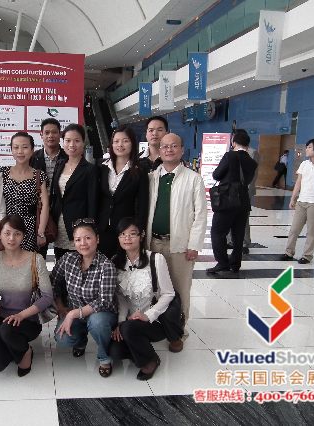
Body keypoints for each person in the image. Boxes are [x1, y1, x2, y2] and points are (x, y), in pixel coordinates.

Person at [146, 132, 206, 352]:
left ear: (181, 150)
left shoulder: (193, 178)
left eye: (174, 146)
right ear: (159, 150)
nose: (169, 150)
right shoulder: (152, 178)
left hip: (180, 245)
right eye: (165, 146)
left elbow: (201, 215)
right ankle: (155, 326)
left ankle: (178, 332)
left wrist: (194, 245)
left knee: (180, 289)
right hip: (153, 243)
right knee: (154, 288)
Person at [109, 217, 177, 380]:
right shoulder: (116, 262)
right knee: (115, 352)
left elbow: (169, 293)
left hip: (156, 321)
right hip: (130, 321)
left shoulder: (155, 259)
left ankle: (151, 360)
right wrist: (120, 322)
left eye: (132, 234)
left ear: (141, 236)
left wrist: (148, 315)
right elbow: (121, 298)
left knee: (128, 329)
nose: (127, 238)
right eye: (122, 234)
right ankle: (139, 346)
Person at [0, 215, 53, 376]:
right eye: (7, 233)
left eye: (17, 233)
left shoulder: (36, 259)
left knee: (7, 331)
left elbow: (47, 297)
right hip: (3, 316)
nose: (11, 238)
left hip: (29, 319)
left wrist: (21, 315)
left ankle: (26, 351)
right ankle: (14, 346)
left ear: (23, 236)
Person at [51, 219, 117, 378]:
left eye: (88, 238)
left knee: (97, 323)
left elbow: (104, 301)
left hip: (101, 313)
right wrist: (60, 306)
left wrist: (73, 314)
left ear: (97, 239)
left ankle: (104, 356)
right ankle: (81, 341)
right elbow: (53, 282)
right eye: (78, 239)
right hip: (75, 311)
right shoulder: (68, 259)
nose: (83, 243)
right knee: (62, 338)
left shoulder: (106, 265)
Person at [207, 129, 258, 275]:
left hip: (228, 199)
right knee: (238, 234)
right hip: (243, 201)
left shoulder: (230, 156)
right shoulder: (252, 162)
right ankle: (235, 264)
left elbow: (217, 174)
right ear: (247, 145)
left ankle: (222, 263)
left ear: (234, 142)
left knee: (217, 232)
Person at [281, 139, 314, 264]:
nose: (306, 149)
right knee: (294, 229)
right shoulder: (304, 164)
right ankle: (288, 252)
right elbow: (298, 183)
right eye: (307, 147)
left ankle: (307, 255)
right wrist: (293, 198)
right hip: (302, 201)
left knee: (311, 231)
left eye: (309, 147)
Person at [97, 126, 149, 258]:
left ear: (132, 143)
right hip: (102, 228)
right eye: (116, 141)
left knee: (123, 265)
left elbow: (142, 204)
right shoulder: (101, 167)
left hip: (126, 231)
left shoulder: (139, 171)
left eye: (125, 141)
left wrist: (139, 229)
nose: (120, 145)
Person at [49, 124, 98, 260]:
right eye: (68, 140)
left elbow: (93, 202)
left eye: (76, 140)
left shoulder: (90, 169)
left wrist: (90, 229)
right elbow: (56, 196)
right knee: (61, 264)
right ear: (63, 142)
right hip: (59, 227)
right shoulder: (60, 164)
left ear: (83, 143)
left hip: (79, 227)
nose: (72, 144)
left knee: (80, 265)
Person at [0, 132, 50, 253]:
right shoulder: (3, 173)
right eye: (16, 147)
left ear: (32, 150)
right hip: (7, 228)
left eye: (25, 147)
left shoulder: (39, 175)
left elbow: (45, 205)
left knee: (27, 260)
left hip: (29, 228)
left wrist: (41, 232)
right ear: (11, 150)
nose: (20, 151)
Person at [227, 143, 259, 254]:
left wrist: (247, 189)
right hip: (231, 190)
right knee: (230, 216)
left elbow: (253, 174)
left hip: (245, 190)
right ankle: (230, 240)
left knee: (243, 218)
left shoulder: (252, 152)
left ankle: (244, 243)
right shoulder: (231, 153)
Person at [30, 117, 68, 186]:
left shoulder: (68, 157)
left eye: (54, 132)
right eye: (47, 133)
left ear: (60, 134)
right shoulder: (33, 157)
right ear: (41, 135)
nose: (50, 136)